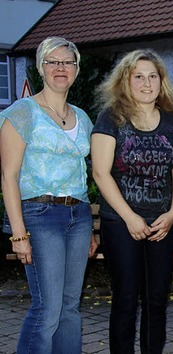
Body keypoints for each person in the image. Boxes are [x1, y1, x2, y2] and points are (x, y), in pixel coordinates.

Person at [0, 36, 96, 353]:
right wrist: (18, 234)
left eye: (67, 62)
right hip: (39, 217)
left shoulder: (82, 118)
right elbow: (9, 176)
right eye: (53, 61)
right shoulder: (22, 113)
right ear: (41, 67)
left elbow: (83, 174)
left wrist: (91, 227)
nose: (60, 68)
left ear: (76, 69)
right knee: (47, 309)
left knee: (70, 308)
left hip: (78, 217)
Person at [91, 49, 173, 354]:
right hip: (121, 223)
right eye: (139, 77)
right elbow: (100, 172)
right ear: (125, 81)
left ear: (161, 82)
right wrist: (130, 218)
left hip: (161, 222)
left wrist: (172, 213)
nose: (147, 83)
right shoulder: (111, 118)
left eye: (153, 76)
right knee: (125, 298)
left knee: (157, 300)